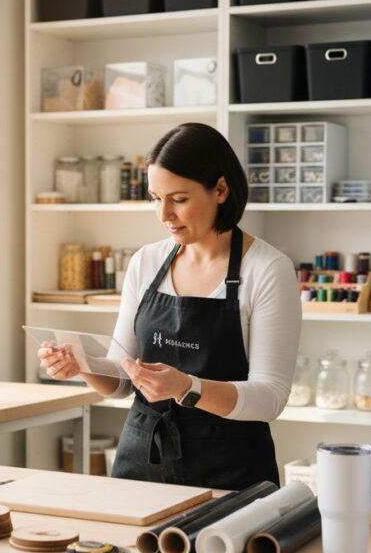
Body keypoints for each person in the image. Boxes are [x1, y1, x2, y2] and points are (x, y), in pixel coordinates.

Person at [39, 123, 300, 490]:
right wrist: (81, 363)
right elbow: (121, 382)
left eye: (178, 199)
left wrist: (186, 387)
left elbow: (269, 398)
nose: (164, 214)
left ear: (221, 190)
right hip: (142, 467)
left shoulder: (267, 270)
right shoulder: (146, 262)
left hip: (231, 474)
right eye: (154, 197)